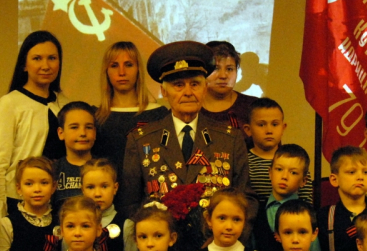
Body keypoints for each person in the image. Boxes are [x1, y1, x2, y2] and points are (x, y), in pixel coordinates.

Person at [119, 41, 252, 219]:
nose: (188, 92)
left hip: (214, 235)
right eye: (179, 85)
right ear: (164, 91)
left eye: (195, 84)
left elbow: (245, 199)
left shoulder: (230, 138)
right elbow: (130, 204)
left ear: (205, 89)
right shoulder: (141, 140)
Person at [0, 30, 67, 219]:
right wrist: (0, 209)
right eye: (37, 58)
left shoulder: (64, 104)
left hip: (56, 200)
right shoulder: (10, 103)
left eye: (52, 58)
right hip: (17, 200)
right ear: (24, 64)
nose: (45, 66)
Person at [92, 41, 168, 174]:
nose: (122, 72)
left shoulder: (158, 114)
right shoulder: (95, 117)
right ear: (106, 71)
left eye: (128, 65)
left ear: (138, 69)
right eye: (114, 65)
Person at [251, 144, 322, 251]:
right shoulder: (257, 212)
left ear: (304, 181)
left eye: (293, 172)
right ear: (270, 173)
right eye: (279, 169)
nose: (284, 176)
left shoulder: (307, 214)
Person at [243, 97, 313, 203]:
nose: (269, 130)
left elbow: (306, 201)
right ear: (248, 130)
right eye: (261, 125)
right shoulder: (243, 162)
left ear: (283, 128)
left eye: (275, 124)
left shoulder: (296, 160)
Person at [316, 146, 367, 251]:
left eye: (365, 172)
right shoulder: (325, 217)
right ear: (334, 179)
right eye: (352, 172)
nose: (360, 177)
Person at [52, 101, 98, 213]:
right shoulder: (52, 170)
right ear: (61, 133)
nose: (82, 133)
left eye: (88, 127)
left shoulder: (106, 169)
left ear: (95, 133)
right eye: (74, 127)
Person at [201, 41, 258, 130]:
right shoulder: (190, 106)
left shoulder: (254, 107)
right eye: (216, 69)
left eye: (229, 69)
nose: (223, 76)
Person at [81, 158, 125, 251]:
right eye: (90, 187)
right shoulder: (74, 224)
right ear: (82, 190)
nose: (97, 194)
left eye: (104, 186)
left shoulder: (126, 225)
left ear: (115, 188)